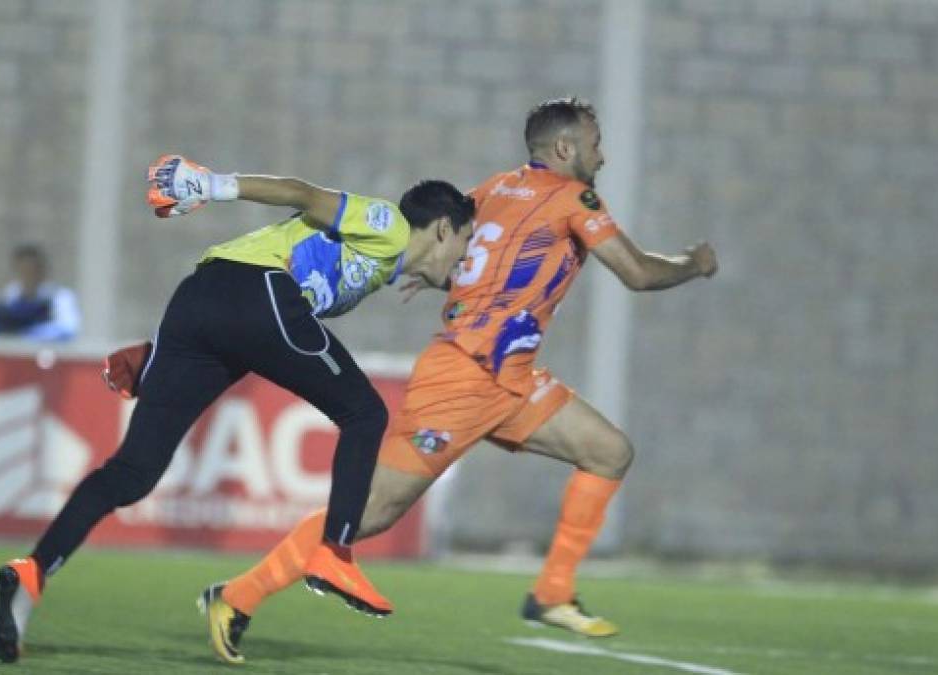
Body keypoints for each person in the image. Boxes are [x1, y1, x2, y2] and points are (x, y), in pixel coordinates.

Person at [189, 97, 718, 663]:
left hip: (510, 377)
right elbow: (636, 272)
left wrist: (433, 272)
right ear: (565, 149)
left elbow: (460, 246)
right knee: (371, 513)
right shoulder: (574, 199)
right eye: (595, 144)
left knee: (609, 451)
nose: (603, 156)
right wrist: (694, 264)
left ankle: (552, 592)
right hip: (463, 380)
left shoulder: (495, 188)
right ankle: (235, 597)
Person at [0, 155, 476, 664]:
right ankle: (334, 552)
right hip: (253, 291)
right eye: (465, 242)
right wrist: (212, 186)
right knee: (366, 415)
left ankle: (30, 574)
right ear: (442, 228)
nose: (465, 257)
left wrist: (163, 351)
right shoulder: (389, 225)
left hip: (202, 304)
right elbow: (302, 192)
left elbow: (259, 305)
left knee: (132, 474)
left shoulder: (390, 259)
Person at [0, 244, 81, 341]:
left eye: (32, 270)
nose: (28, 276)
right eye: (24, 270)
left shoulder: (59, 297)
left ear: (42, 271)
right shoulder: (4, 299)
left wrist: (27, 335)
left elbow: (68, 329)